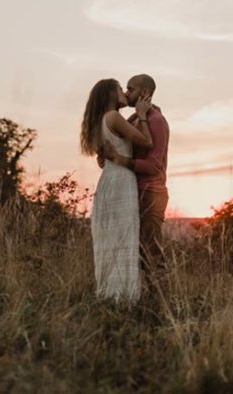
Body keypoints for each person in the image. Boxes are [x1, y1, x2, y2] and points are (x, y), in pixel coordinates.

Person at [80, 78, 153, 303]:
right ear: (111, 94)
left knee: (110, 241)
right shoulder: (113, 117)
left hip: (108, 182)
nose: (125, 92)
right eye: (121, 88)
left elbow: (105, 157)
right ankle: (124, 298)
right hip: (122, 181)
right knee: (124, 238)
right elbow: (146, 142)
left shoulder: (101, 120)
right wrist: (142, 115)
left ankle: (109, 296)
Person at [99, 74, 170, 291]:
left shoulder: (156, 121)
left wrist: (120, 159)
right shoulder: (134, 119)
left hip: (151, 193)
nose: (126, 93)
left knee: (151, 253)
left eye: (131, 89)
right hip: (132, 193)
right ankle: (137, 297)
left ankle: (162, 302)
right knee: (134, 252)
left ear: (145, 92)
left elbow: (154, 167)